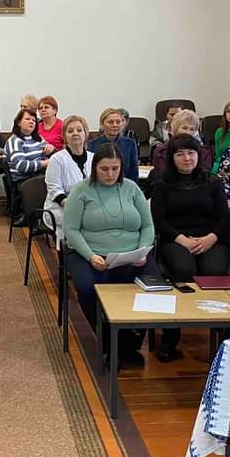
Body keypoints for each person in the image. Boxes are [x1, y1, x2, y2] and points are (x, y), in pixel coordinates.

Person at [64, 143, 155, 368]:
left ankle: (130, 343)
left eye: (115, 169)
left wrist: (143, 250)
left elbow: (147, 225)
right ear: (95, 167)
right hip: (91, 254)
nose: (110, 174)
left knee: (152, 285)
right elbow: (71, 230)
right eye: (104, 169)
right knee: (88, 288)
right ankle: (107, 341)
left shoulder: (132, 188)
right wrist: (90, 256)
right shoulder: (81, 190)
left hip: (132, 255)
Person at [151, 134, 230, 362]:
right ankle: (171, 335)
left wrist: (211, 238)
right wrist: (182, 240)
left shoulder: (213, 181)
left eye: (191, 153)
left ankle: (221, 333)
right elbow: (159, 220)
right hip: (176, 239)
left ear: (199, 155)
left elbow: (224, 216)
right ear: (172, 157)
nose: (187, 158)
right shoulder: (162, 183)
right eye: (180, 154)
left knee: (215, 272)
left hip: (211, 238)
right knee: (183, 270)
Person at [43, 115, 92, 242]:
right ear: (64, 137)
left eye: (79, 130)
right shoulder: (57, 159)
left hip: (89, 207)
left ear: (86, 134)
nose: (75, 133)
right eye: (70, 131)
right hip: (61, 208)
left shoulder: (94, 158)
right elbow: (55, 190)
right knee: (84, 222)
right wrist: (75, 207)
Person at [151, 109, 213, 175]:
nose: (188, 132)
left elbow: (204, 174)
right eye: (184, 128)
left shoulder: (204, 152)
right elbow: (163, 175)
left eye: (192, 129)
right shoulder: (161, 152)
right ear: (174, 129)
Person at [87, 109, 139, 183]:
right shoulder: (92, 145)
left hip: (124, 186)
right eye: (110, 122)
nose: (115, 125)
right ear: (102, 124)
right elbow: (91, 171)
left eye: (118, 122)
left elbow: (134, 172)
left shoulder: (130, 144)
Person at [4, 108, 50, 186]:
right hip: (24, 181)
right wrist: (45, 163)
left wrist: (50, 148)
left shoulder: (38, 138)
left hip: (40, 175)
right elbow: (22, 166)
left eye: (34, 120)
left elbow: (45, 155)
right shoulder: (15, 140)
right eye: (27, 119)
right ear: (19, 123)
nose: (31, 122)